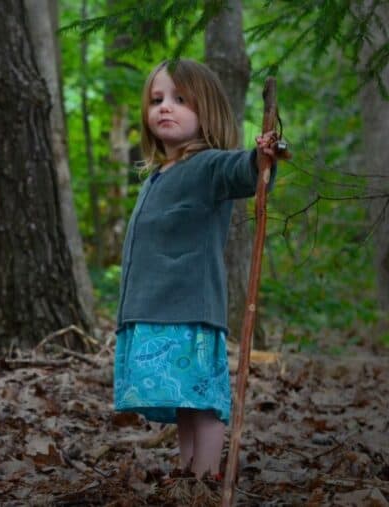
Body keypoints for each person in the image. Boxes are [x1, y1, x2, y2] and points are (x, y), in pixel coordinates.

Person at [113, 59, 289, 480]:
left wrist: (264, 155)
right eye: (157, 100)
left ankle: (207, 477)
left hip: (190, 308)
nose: (164, 108)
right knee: (183, 402)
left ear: (206, 109)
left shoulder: (208, 166)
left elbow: (244, 172)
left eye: (179, 100)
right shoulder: (156, 175)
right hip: (152, 307)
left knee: (202, 399)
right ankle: (187, 474)